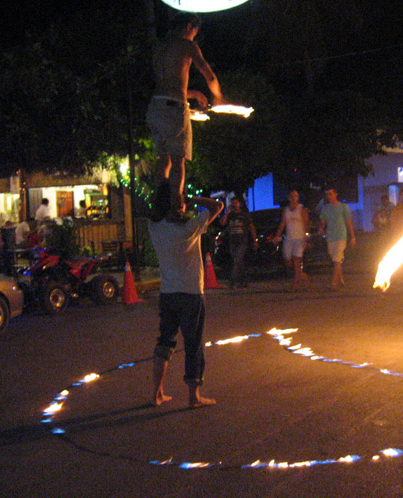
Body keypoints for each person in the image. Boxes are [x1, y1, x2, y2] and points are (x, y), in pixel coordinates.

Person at [147, 183, 224, 408]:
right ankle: (194, 397)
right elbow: (218, 206)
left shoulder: (155, 228)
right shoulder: (191, 227)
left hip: (168, 294)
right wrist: (193, 198)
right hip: (191, 293)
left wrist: (172, 203)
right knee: (193, 345)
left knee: (164, 342)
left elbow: (154, 211)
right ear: (180, 207)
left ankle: (156, 393)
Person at [147, 13, 225, 219]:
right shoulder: (187, 46)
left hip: (155, 106)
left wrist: (194, 94)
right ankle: (174, 209)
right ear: (190, 26)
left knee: (163, 159)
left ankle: (159, 206)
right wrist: (218, 97)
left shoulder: (160, 47)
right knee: (178, 160)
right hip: (174, 108)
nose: (194, 36)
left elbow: (169, 84)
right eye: (195, 32)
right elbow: (209, 74)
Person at [319, 186, 356, 291]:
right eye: (327, 194)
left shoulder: (343, 207)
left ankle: (333, 282)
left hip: (341, 236)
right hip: (330, 237)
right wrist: (321, 228)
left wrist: (353, 237)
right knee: (335, 259)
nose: (329, 196)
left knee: (337, 259)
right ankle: (341, 280)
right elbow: (323, 221)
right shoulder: (326, 208)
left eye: (331, 194)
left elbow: (349, 222)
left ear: (336, 194)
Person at [274, 189, 310, 291]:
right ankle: (300, 274)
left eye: (296, 196)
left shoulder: (302, 209)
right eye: (292, 196)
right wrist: (277, 236)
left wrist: (306, 237)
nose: (294, 198)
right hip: (289, 239)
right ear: (289, 198)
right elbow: (282, 224)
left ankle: (295, 283)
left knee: (296, 259)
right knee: (287, 260)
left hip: (299, 238)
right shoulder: (286, 210)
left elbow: (306, 224)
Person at [220, 197, 258, 289]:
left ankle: (233, 282)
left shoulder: (244, 215)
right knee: (238, 262)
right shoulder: (231, 215)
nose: (234, 205)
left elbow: (251, 227)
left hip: (242, 241)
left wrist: (255, 240)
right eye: (233, 203)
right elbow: (223, 223)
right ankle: (244, 281)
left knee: (237, 260)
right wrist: (227, 212)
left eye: (236, 203)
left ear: (239, 204)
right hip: (232, 241)